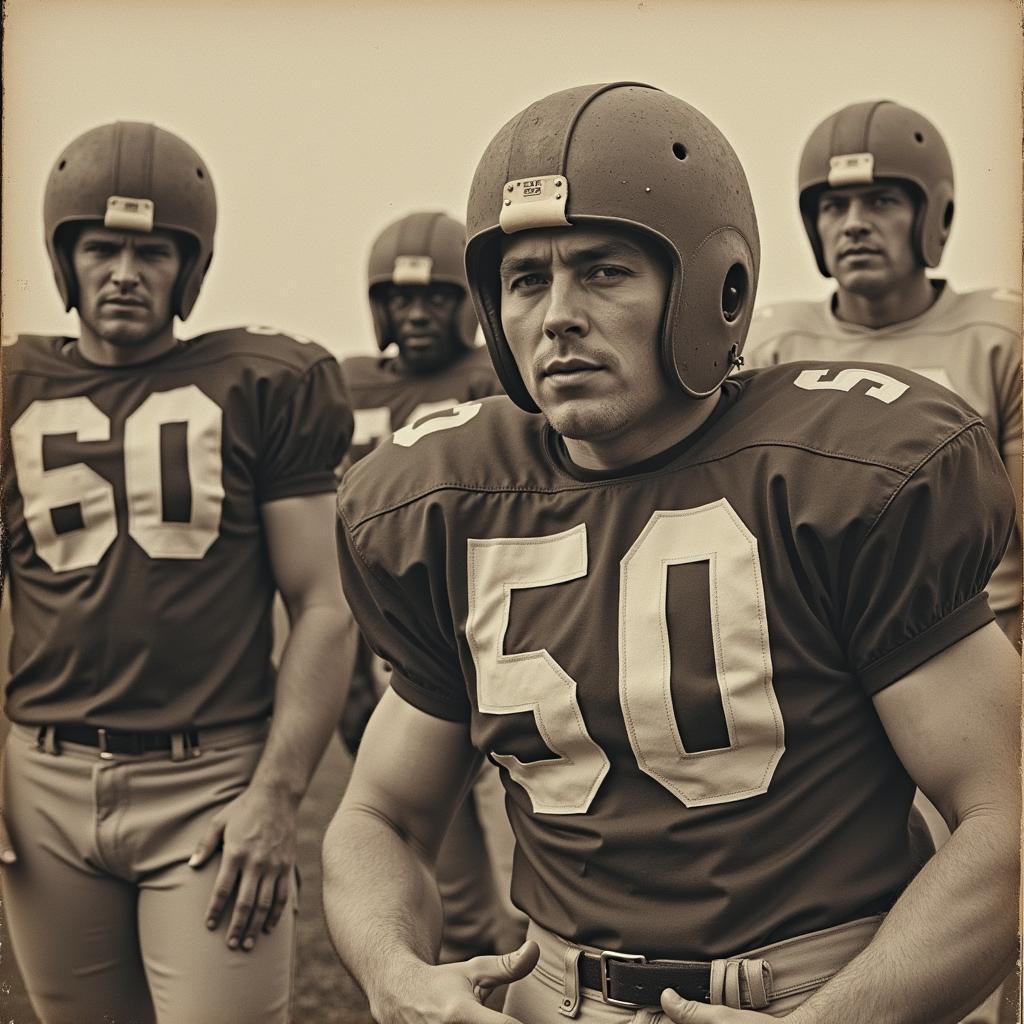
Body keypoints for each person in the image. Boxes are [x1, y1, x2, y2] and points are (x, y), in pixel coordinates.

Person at [322, 82, 1020, 1024]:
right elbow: (379, 816)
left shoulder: (831, 475)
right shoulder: (453, 501)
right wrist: (394, 972)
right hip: (556, 993)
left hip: (823, 989)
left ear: (712, 288)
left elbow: (1005, 817)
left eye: (604, 271)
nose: (557, 315)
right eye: (527, 280)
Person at [0, 120, 356, 1024]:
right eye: (103, 247)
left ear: (188, 267)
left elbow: (323, 603)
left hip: (209, 782)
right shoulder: (12, 387)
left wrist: (276, 797)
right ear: (64, 255)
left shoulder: (262, 381)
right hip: (42, 774)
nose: (124, 272)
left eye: (152, 250)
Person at [743, 100, 1022, 650]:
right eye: (833, 206)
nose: (854, 225)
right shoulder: (772, 347)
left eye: (881, 201)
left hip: (986, 639)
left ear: (931, 216)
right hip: (826, 655)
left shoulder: (1001, 337)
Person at [338, 209, 524, 964]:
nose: (417, 314)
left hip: (498, 640)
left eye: (436, 299)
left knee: (519, 863)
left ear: (468, 306)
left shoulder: (495, 380)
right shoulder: (343, 384)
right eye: (401, 299)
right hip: (401, 652)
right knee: (435, 872)